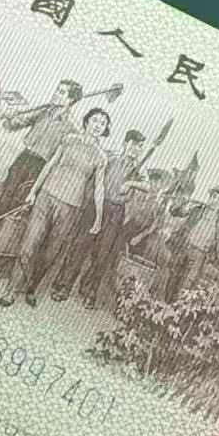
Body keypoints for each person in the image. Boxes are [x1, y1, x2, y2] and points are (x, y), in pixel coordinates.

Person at [0, 106, 111, 307]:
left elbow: (99, 189)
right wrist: (33, 191)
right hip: (46, 196)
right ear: (87, 122)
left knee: (50, 252)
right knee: (29, 244)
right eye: (95, 120)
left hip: (70, 207)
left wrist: (98, 218)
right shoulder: (69, 139)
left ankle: (31, 287)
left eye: (102, 123)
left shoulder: (101, 157)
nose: (98, 125)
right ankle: (11, 289)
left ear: (105, 129)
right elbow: (50, 165)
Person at [0, 78, 83, 274]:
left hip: (40, 167)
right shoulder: (43, 111)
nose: (56, 94)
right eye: (57, 89)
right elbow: (14, 124)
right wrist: (10, 117)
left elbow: (65, 158)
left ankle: (3, 262)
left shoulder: (71, 128)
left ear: (70, 100)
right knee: (4, 202)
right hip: (23, 159)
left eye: (62, 92)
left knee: (19, 211)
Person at [64, 128, 147, 309]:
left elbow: (148, 186)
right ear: (125, 143)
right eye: (134, 144)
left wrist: (131, 183)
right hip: (97, 205)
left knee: (103, 253)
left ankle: (89, 291)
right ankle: (63, 286)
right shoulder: (110, 157)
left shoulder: (139, 169)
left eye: (140, 146)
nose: (137, 149)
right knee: (80, 245)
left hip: (116, 212)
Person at [164, 185, 219, 304]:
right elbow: (174, 212)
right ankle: (166, 304)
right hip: (183, 248)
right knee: (172, 278)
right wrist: (182, 203)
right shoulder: (196, 210)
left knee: (186, 285)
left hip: (199, 257)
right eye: (214, 196)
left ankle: (174, 309)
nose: (215, 201)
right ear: (210, 197)